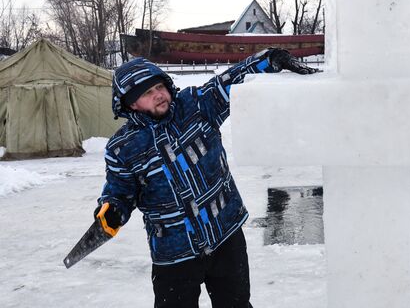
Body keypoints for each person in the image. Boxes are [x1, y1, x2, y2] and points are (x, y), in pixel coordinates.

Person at [94, 48, 320, 308]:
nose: (158, 95)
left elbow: (229, 82)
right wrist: (112, 210)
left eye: (159, 86)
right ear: (131, 103)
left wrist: (269, 59)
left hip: (225, 235)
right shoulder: (122, 147)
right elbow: (119, 191)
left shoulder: (195, 106)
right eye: (147, 93)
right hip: (173, 253)